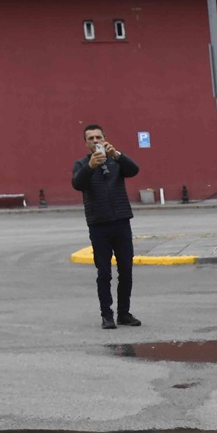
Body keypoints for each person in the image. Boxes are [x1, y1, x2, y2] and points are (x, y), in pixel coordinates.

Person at [71, 123, 140, 329]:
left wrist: (117, 154)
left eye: (98, 138)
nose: (95, 142)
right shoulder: (82, 164)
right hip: (98, 224)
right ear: (86, 143)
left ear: (104, 138)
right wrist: (91, 166)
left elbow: (134, 170)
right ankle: (106, 314)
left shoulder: (115, 160)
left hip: (121, 221)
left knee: (126, 270)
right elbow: (77, 184)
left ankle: (124, 313)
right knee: (104, 272)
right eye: (91, 139)